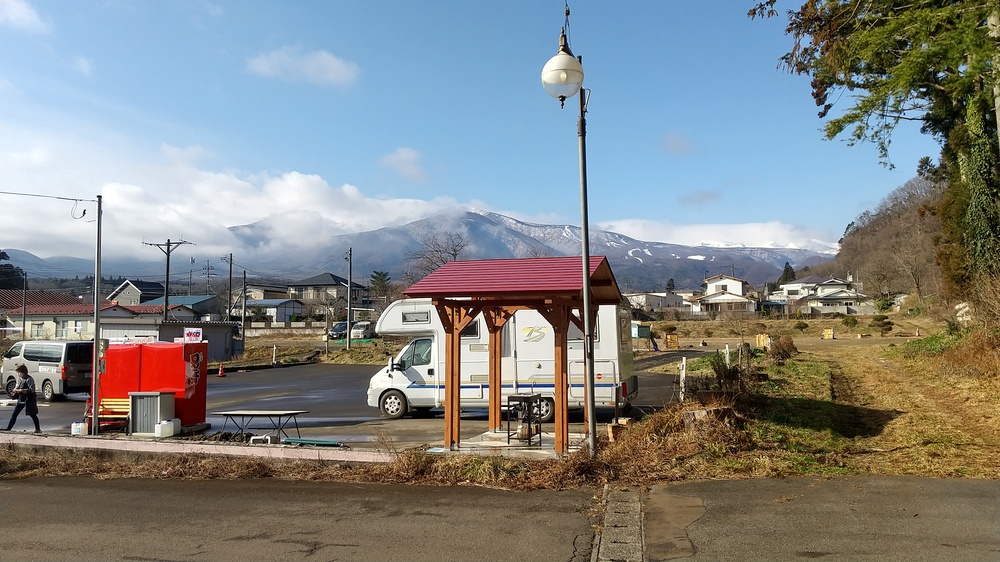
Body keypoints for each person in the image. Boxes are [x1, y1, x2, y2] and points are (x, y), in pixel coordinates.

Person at [5, 364, 41, 433]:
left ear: (23, 372)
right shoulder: (19, 379)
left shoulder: (29, 379)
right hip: (21, 399)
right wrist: (15, 390)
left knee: (33, 414)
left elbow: (31, 390)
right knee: (14, 414)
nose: (19, 374)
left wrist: (21, 390)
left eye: (19, 372)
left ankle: (38, 429)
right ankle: (8, 429)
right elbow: (17, 386)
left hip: (29, 399)